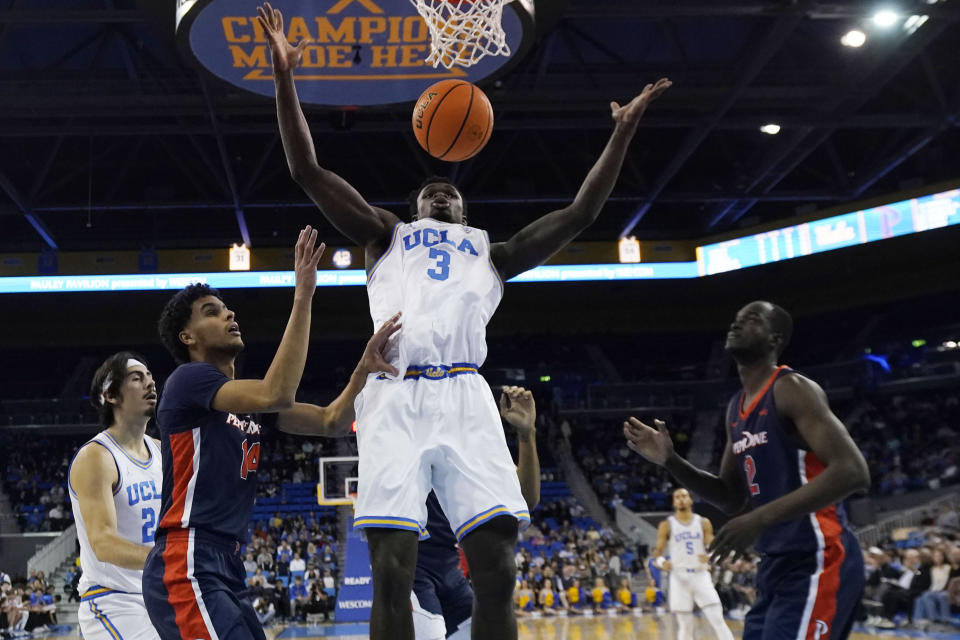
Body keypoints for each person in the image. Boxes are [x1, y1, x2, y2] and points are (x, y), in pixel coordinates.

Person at [256, 4, 671, 637]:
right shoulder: (384, 235)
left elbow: (581, 213)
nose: (439, 194)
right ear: (415, 207)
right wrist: (286, 78)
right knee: (392, 574)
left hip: (466, 394)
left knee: (498, 566)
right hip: (393, 396)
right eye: (428, 193)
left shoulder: (492, 254)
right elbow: (306, 172)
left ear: (464, 206)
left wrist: (620, 134)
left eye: (449, 192)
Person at [141, 227, 400, 640]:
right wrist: (303, 295)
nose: (229, 315)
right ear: (187, 337)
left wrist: (362, 372)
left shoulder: (247, 405)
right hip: (186, 557)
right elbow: (276, 392)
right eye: (212, 311)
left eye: (227, 309)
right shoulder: (188, 381)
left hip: (228, 561)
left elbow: (332, 421)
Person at [624, 301, 871, 640]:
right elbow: (730, 497)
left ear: (775, 339)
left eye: (752, 319)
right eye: (736, 320)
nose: (737, 325)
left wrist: (759, 519)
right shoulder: (735, 408)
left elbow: (853, 471)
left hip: (819, 557)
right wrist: (671, 461)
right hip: (775, 564)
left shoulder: (792, 388)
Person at [411, 386, 539, 640]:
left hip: (451, 571)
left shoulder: (472, 450)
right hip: (412, 570)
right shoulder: (409, 437)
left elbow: (526, 499)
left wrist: (526, 434)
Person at [67, 352, 163, 640]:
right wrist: (168, 558)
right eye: (137, 378)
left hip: (158, 593)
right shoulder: (96, 456)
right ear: (111, 394)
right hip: (113, 600)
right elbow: (103, 543)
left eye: (150, 376)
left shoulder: (160, 450)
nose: (150, 383)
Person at [650, 488, 733, 640]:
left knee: (717, 618)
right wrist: (662, 562)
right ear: (674, 502)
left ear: (690, 500)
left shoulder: (702, 522)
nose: (681, 499)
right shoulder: (667, 525)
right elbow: (657, 553)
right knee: (685, 625)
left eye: (684, 496)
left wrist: (709, 556)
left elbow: (712, 546)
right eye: (677, 497)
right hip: (679, 576)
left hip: (700, 574)